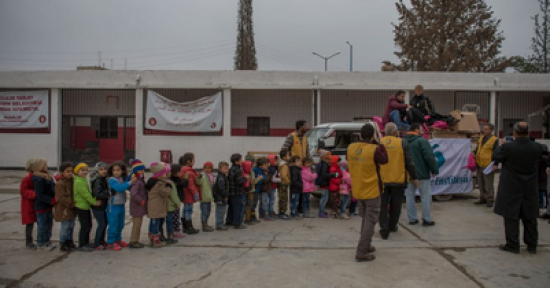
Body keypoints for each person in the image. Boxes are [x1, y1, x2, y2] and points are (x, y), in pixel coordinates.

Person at [493, 122, 543, 254]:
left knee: (511, 216)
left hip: (511, 186)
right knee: (530, 217)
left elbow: (496, 157)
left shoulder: (508, 147)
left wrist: (500, 146)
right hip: (530, 186)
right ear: (528, 132)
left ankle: (512, 244)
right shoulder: (537, 147)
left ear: (515, 132)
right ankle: (532, 245)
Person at [347, 123, 388, 262]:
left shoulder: (351, 147)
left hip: (358, 189)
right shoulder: (374, 149)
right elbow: (384, 160)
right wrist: (380, 144)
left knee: (365, 219)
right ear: (372, 136)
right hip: (372, 190)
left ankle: (367, 244)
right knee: (370, 220)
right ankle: (362, 251)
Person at [379, 123, 418, 239]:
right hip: (398, 180)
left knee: (382, 205)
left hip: (382, 180)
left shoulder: (379, 143)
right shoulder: (402, 143)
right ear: (396, 132)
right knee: (396, 205)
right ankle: (392, 225)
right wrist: (414, 177)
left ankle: (384, 228)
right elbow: (409, 162)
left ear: (385, 132)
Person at [403, 123, 438, 226]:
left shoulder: (403, 141)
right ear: (416, 129)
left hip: (409, 174)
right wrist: (434, 169)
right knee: (425, 197)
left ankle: (412, 219)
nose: (423, 131)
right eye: (422, 129)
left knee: (409, 197)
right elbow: (429, 157)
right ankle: (426, 219)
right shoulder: (422, 141)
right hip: (422, 174)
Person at [281, 120, 311, 213]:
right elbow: (284, 149)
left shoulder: (305, 138)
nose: (307, 127)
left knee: (303, 186)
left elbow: (307, 152)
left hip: (303, 167)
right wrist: (291, 162)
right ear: (300, 127)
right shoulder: (291, 136)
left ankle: (300, 208)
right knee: (294, 188)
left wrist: (310, 163)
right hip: (294, 167)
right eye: (305, 125)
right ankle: (293, 208)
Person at [106, 162, 134, 251]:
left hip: (121, 204)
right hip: (113, 205)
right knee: (113, 224)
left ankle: (118, 239)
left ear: (122, 171)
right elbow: (119, 188)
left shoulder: (122, 178)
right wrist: (130, 182)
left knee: (120, 224)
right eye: (114, 170)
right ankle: (111, 242)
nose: (116, 172)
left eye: (118, 170)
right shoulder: (112, 180)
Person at [73, 162, 99, 252]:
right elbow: (85, 194)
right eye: (82, 170)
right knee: (85, 226)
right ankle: (82, 244)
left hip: (85, 206)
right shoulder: (78, 181)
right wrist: (94, 202)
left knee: (89, 225)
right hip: (81, 207)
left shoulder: (82, 179)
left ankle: (86, 242)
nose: (84, 172)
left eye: (86, 170)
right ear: (76, 171)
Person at [32, 159, 57, 251]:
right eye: (45, 165)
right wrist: (51, 200)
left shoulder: (47, 176)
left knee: (49, 224)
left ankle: (47, 241)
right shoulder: (38, 179)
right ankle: (41, 243)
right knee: (42, 225)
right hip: (42, 206)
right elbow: (40, 195)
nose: (46, 166)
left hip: (48, 206)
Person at [146, 162, 172, 248]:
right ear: (160, 174)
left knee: (153, 222)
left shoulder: (151, 181)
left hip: (152, 206)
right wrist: (168, 186)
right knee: (156, 223)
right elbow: (165, 193)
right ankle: (156, 240)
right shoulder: (159, 184)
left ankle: (151, 238)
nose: (165, 174)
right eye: (164, 173)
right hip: (157, 206)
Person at [473, 123, 499, 207]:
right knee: (480, 182)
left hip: (488, 165)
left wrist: (495, 163)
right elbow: (477, 149)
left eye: (486, 129)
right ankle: (482, 197)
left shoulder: (495, 140)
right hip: (479, 163)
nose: (484, 130)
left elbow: (497, 152)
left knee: (488, 183)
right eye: (484, 129)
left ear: (491, 130)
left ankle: (490, 199)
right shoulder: (481, 139)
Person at [54, 162, 76, 252]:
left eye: (71, 171)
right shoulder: (60, 183)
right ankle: (63, 242)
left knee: (71, 225)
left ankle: (69, 241)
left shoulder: (72, 181)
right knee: (65, 226)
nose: (70, 173)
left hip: (71, 208)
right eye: (68, 171)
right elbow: (61, 197)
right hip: (64, 209)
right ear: (62, 172)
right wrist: (71, 204)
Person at [128, 159, 148, 248]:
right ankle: (134, 241)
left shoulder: (140, 180)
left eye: (143, 170)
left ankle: (135, 240)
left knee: (138, 224)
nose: (142, 171)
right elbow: (133, 194)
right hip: (137, 206)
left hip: (139, 207)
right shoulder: (137, 182)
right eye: (140, 170)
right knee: (137, 225)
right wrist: (141, 201)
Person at [179, 153, 201, 235]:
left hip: (184, 194)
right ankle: (189, 227)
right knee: (189, 210)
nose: (194, 161)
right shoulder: (189, 172)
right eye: (193, 159)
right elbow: (190, 184)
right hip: (189, 194)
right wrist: (195, 193)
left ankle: (185, 226)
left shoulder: (182, 170)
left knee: (185, 209)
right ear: (189, 161)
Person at [90, 162, 110, 250]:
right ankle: (97, 242)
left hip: (102, 206)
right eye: (101, 169)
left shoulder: (103, 180)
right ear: (97, 171)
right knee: (101, 224)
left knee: (104, 223)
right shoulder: (98, 181)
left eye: (105, 169)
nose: (104, 171)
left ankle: (101, 240)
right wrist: (108, 193)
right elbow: (97, 194)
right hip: (98, 207)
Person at [20, 159, 38, 250]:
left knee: (39, 222)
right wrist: (35, 193)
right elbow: (23, 191)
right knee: (29, 224)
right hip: (29, 204)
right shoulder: (27, 179)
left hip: (36, 203)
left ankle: (40, 240)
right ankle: (28, 241)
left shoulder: (37, 177)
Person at [315, 150, 338, 218]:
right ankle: (321, 212)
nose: (330, 156)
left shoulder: (324, 163)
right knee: (324, 199)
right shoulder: (325, 165)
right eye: (329, 155)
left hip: (324, 183)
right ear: (325, 157)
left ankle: (322, 211)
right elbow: (324, 175)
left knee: (325, 198)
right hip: (324, 184)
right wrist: (333, 175)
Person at [228, 153, 248, 229]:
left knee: (232, 208)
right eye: (241, 160)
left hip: (232, 192)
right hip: (237, 191)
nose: (242, 161)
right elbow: (240, 181)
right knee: (238, 208)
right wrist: (245, 178)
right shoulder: (238, 170)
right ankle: (237, 223)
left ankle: (229, 221)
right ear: (236, 162)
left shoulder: (231, 169)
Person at [164, 163, 181, 244]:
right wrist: (177, 203)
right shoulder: (169, 183)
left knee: (167, 221)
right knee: (170, 221)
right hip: (170, 206)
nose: (168, 174)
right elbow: (173, 194)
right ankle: (170, 236)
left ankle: (165, 235)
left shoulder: (162, 182)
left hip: (165, 205)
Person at [169, 164, 187, 238]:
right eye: (180, 172)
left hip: (177, 201)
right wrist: (186, 178)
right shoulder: (174, 181)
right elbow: (183, 184)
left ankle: (175, 230)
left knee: (176, 217)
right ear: (175, 173)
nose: (181, 173)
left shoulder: (176, 179)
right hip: (175, 202)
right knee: (175, 217)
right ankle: (176, 231)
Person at [198, 161, 215, 232]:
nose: (207, 169)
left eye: (209, 168)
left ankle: (206, 224)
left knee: (208, 211)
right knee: (204, 212)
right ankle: (204, 226)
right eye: (206, 168)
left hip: (208, 197)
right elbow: (198, 182)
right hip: (204, 197)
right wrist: (199, 177)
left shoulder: (211, 175)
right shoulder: (202, 176)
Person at [214, 161, 230, 230]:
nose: (227, 170)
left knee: (222, 211)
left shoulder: (223, 176)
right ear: (220, 169)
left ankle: (220, 223)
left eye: (227, 168)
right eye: (225, 168)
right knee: (220, 211)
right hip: (220, 198)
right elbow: (222, 189)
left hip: (221, 197)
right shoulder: (221, 178)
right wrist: (225, 196)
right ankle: (219, 224)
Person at [243, 159, 259, 225]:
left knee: (249, 205)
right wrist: (259, 178)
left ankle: (248, 218)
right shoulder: (249, 172)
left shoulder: (244, 172)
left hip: (248, 190)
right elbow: (253, 181)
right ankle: (248, 219)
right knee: (249, 205)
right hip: (250, 191)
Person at [277, 149, 291, 220]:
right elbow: (283, 175)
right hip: (283, 183)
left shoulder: (283, 164)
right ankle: (281, 213)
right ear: (284, 157)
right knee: (283, 198)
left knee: (283, 198)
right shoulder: (284, 165)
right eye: (288, 155)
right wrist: (288, 181)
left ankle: (283, 212)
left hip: (283, 183)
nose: (289, 156)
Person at [266, 155, 279, 219]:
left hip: (273, 186)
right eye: (275, 160)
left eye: (277, 160)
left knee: (272, 200)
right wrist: (281, 180)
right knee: (271, 200)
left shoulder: (274, 167)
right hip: (270, 186)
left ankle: (271, 211)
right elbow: (273, 179)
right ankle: (270, 212)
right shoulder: (271, 168)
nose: (276, 162)